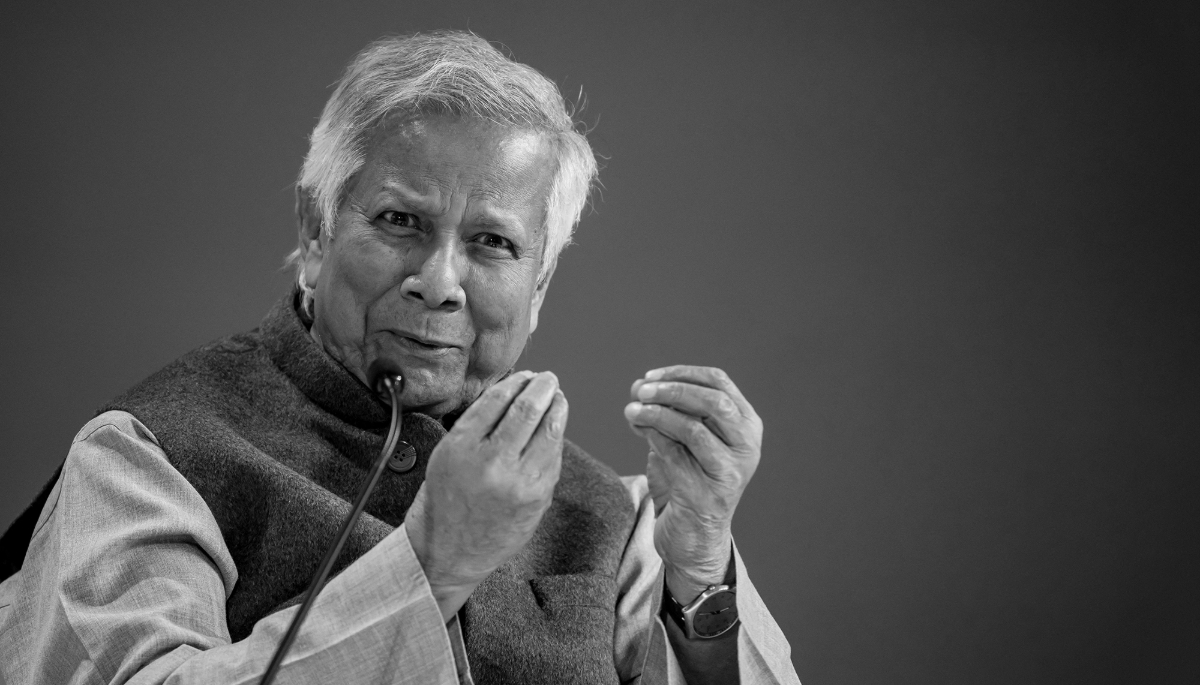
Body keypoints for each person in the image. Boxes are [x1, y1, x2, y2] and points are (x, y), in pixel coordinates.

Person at [0, 31, 799, 684]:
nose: (439, 282)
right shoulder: (144, 456)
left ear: (540, 284)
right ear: (315, 232)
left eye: (493, 242)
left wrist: (700, 573)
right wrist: (433, 562)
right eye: (400, 221)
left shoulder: (612, 520)